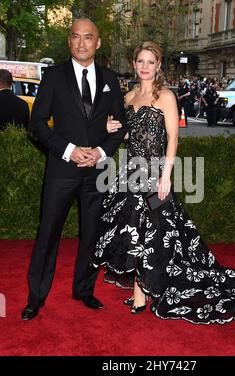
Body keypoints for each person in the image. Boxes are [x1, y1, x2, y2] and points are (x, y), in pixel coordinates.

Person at [92, 41, 235, 325]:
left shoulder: (166, 97)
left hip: (153, 174)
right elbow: (128, 136)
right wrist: (113, 128)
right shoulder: (130, 96)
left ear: (158, 66)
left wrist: (166, 176)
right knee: (133, 233)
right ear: (134, 64)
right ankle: (141, 287)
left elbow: (172, 139)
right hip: (129, 173)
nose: (145, 67)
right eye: (141, 61)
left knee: (152, 235)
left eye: (151, 62)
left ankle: (141, 290)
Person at [21, 18, 127, 321]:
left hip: (96, 171)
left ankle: (84, 290)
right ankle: (36, 297)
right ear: (69, 41)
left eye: (88, 37)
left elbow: (119, 126)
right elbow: (37, 124)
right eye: (76, 37)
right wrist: (70, 150)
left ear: (98, 42)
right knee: (47, 234)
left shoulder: (110, 78)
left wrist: (100, 151)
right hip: (61, 170)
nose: (82, 43)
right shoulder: (53, 76)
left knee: (91, 234)